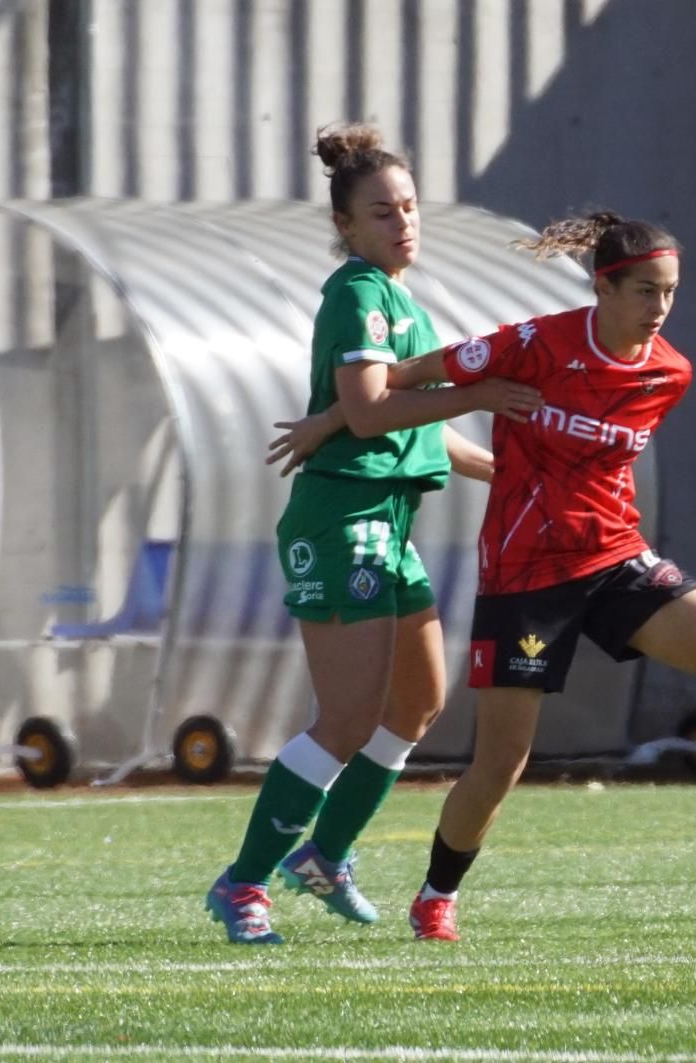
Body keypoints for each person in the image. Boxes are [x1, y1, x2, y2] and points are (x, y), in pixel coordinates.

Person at [335, 210, 696, 941]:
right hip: (525, 578)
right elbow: (400, 383)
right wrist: (331, 417)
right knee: (501, 761)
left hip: (617, 560)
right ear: (603, 288)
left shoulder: (669, 372)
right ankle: (435, 895)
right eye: (645, 291)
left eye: (670, 292)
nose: (659, 309)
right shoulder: (535, 344)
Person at [205, 123, 542, 945]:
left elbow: (409, 428)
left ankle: (324, 855)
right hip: (344, 520)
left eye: (410, 208)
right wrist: (478, 392)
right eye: (382, 213)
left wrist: (508, 471)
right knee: (346, 719)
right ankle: (243, 882)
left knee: (418, 703)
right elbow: (369, 409)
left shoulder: (401, 300)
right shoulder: (356, 293)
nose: (403, 224)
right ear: (347, 227)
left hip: (387, 523)